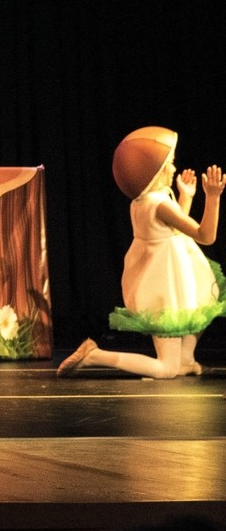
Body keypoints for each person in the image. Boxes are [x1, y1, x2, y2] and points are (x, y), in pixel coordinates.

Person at [57, 127, 224, 380]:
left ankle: (187, 360)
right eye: (168, 164)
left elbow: (174, 227)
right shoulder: (160, 203)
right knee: (167, 369)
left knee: (197, 307)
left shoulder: (143, 201)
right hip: (168, 285)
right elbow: (205, 235)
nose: (173, 169)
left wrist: (185, 197)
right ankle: (95, 355)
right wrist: (213, 197)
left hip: (168, 278)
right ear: (154, 172)